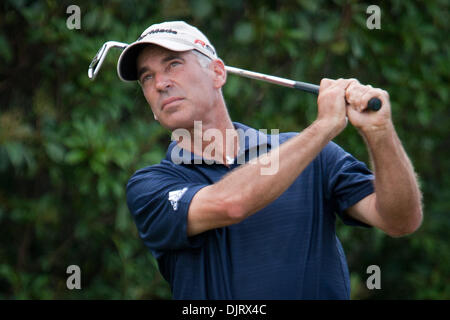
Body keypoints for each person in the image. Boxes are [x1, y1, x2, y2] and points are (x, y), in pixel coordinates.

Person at [118, 21, 423, 299]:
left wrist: (380, 133)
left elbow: (401, 220)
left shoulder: (315, 156)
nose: (160, 83)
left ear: (218, 72)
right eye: (147, 77)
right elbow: (231, 203)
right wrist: (324, 127)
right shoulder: (150, 186)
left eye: (173, 64)